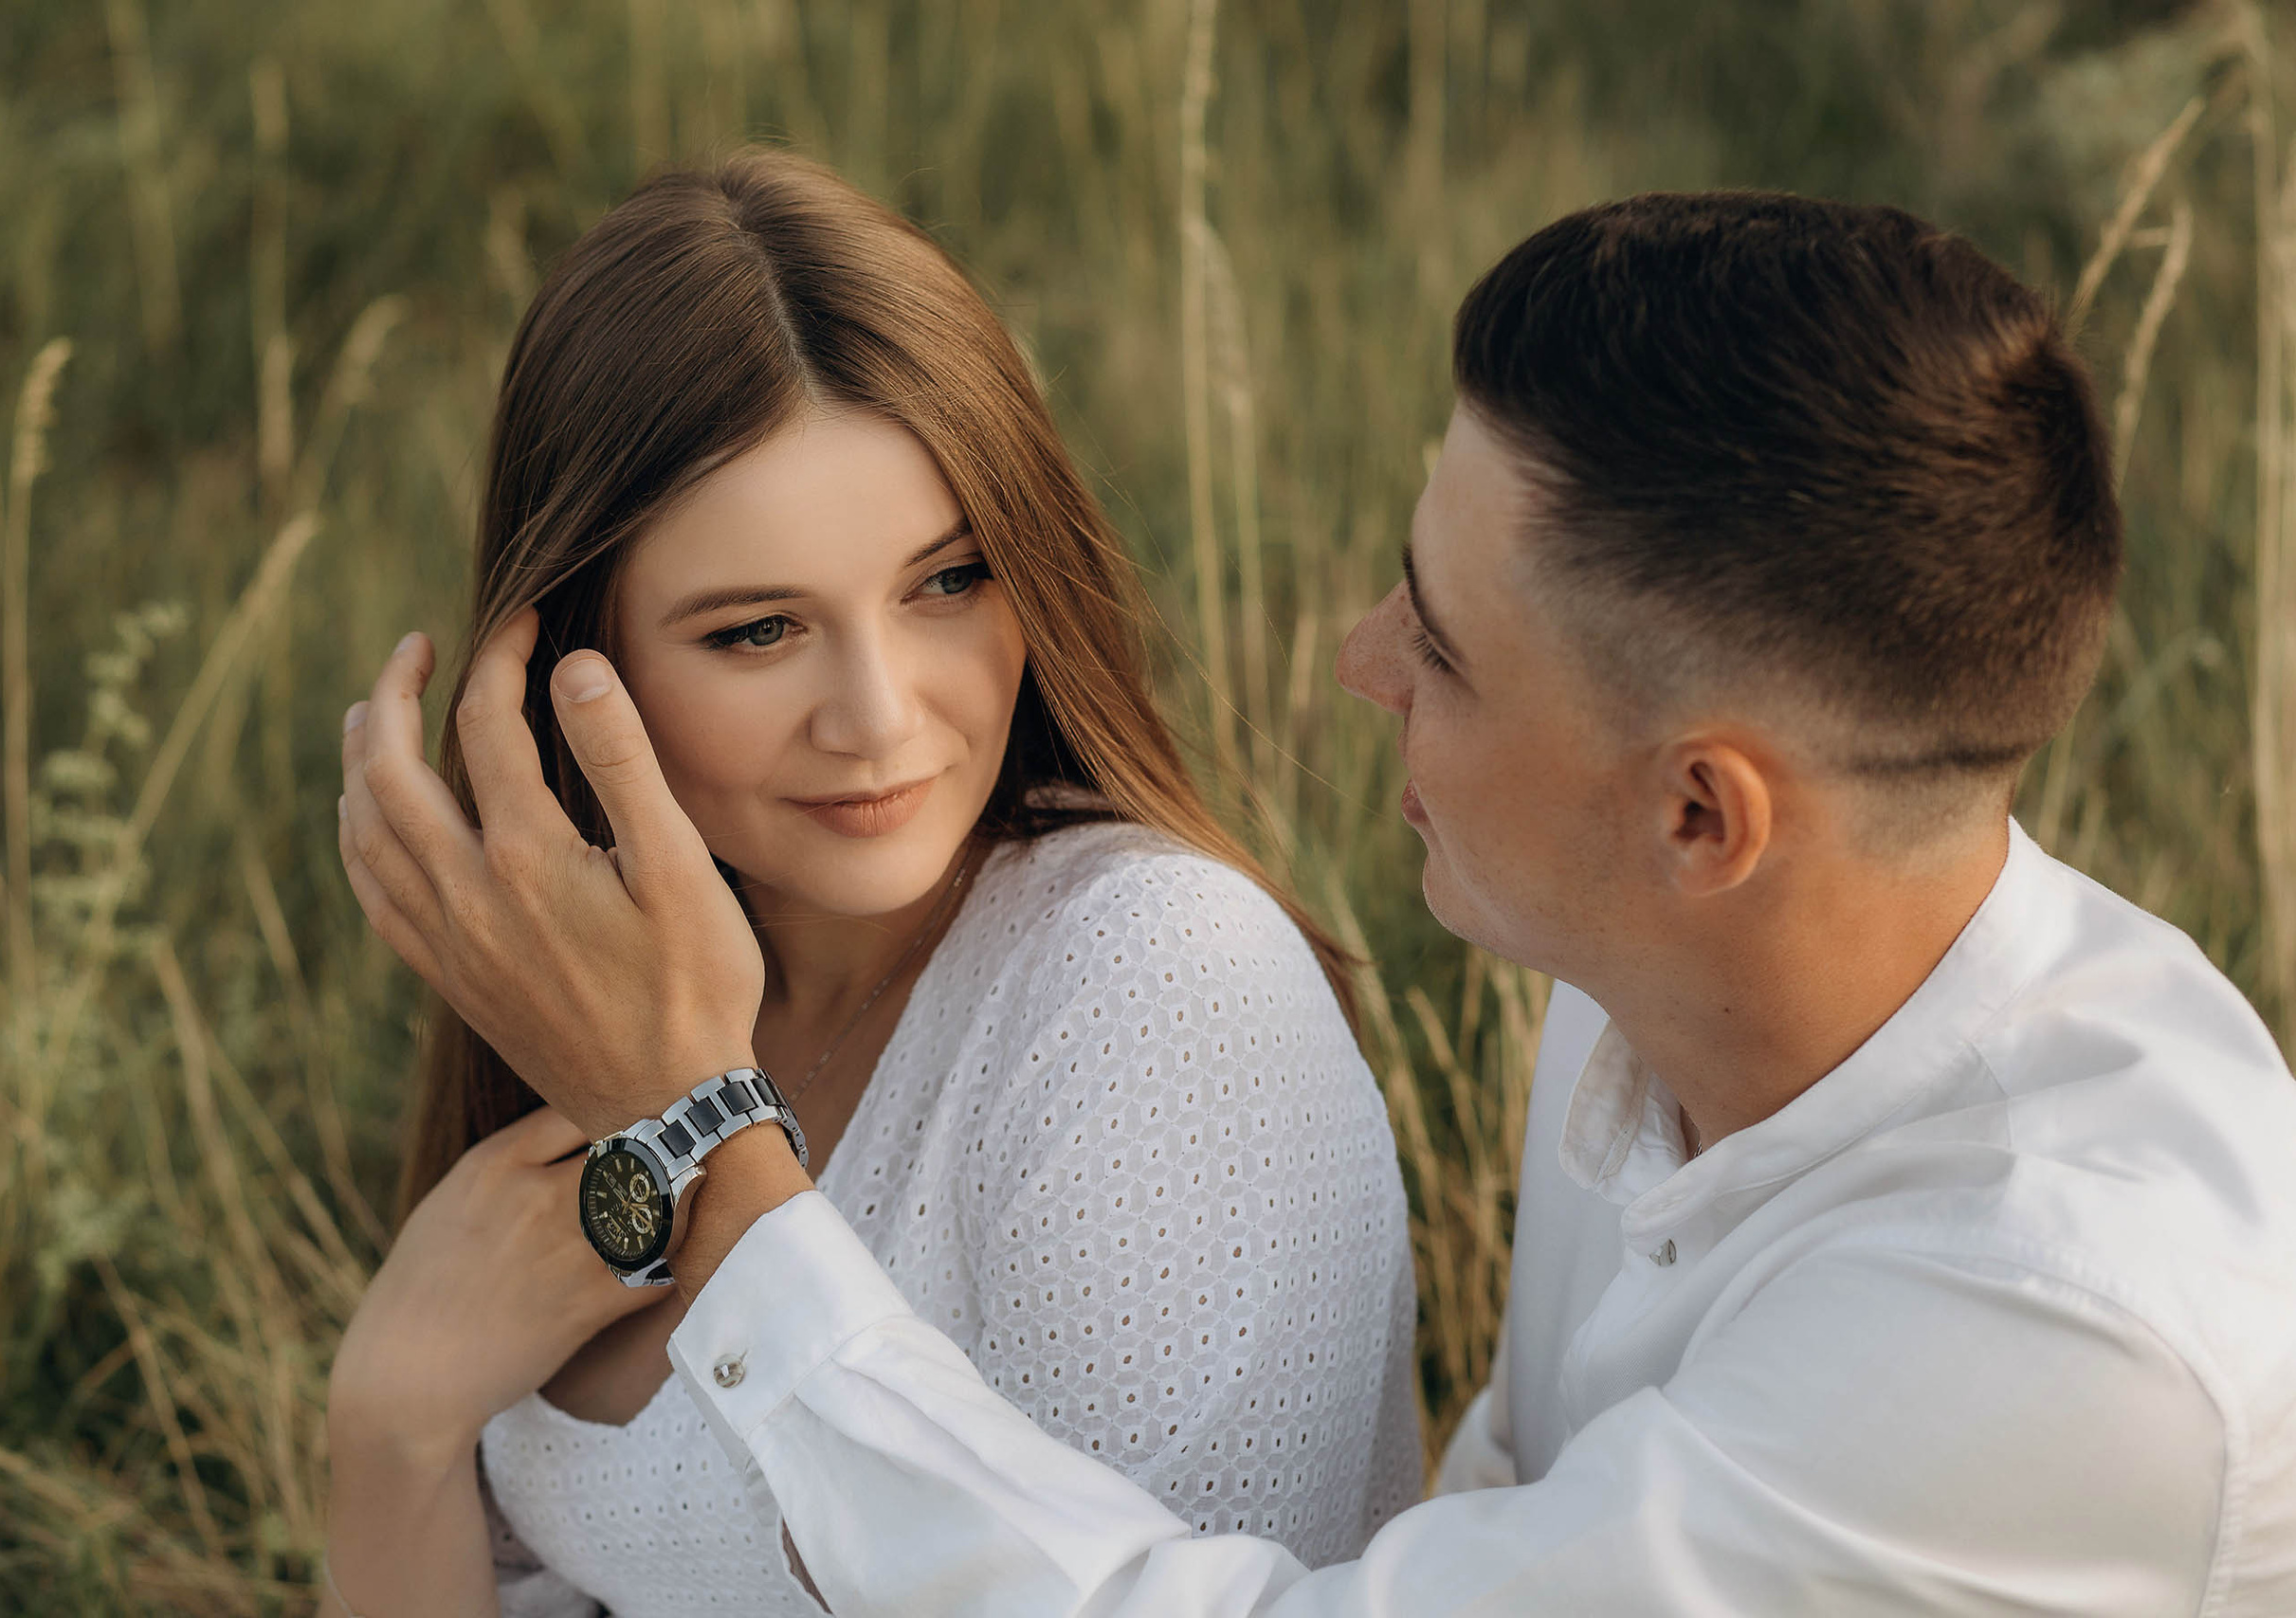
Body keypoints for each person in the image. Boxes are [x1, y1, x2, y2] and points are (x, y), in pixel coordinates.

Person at [338, 191, 2296, 1614]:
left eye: (1439, 648)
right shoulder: (1637, 1012)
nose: (1357, 656)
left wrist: (709, 1141)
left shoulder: (2045, 1330)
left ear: (1700, 819)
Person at [318, 151, 1420, 1618]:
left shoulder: (1156, 989)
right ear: (576, 660)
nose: (882, 717)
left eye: (948, 580)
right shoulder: (599, 979)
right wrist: (388, 1430)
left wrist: (685, 1123)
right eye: (760, 631)